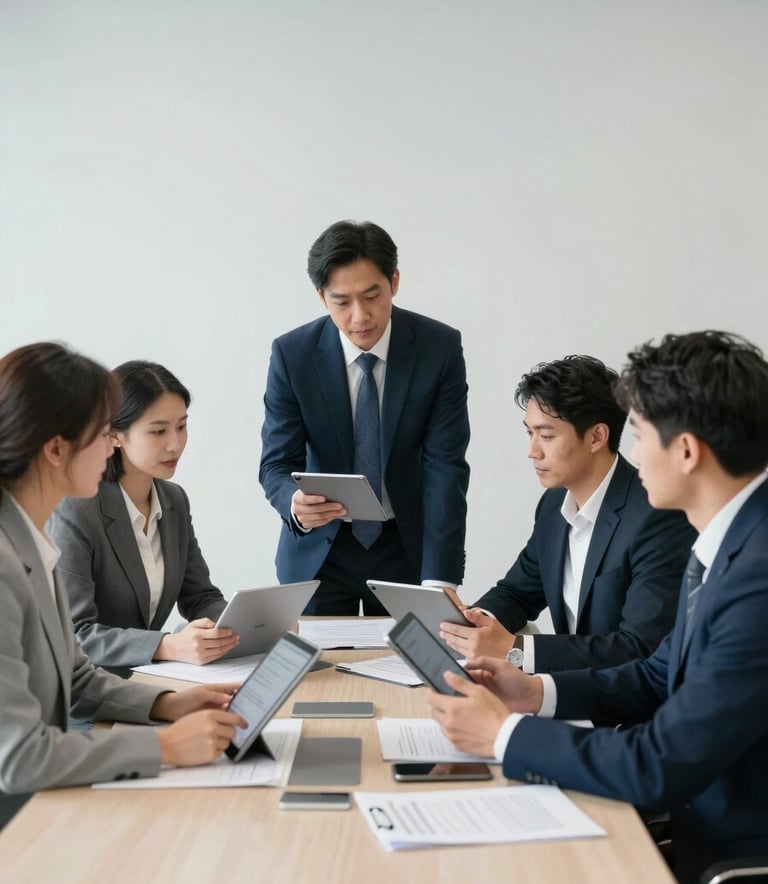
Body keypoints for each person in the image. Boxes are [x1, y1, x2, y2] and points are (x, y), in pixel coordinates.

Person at [427, 331, 768, 883]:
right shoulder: (729, 544)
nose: (633, 456)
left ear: (686, 450)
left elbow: (659, 763)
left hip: (725, 851)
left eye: (640, 435)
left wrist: (503, 735)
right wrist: (533, 691)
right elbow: (658, 674)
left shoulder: (756, 578)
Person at [0, 342, 245, 828]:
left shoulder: (31, 540)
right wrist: (164, 746)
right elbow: (19, 757)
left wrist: (166, 704)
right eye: (103, 435)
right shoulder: (9, 561)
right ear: (55, 449)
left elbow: (77, 677)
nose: (111, 446)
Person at [259, 220, 470, 615]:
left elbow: (445, 466)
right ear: (321, 297)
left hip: (406, 549)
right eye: (342, 302)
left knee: (410, 672)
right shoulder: (293, 355)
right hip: (319, 551)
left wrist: (440, 577)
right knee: (314, 675)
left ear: (395, 281)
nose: (360, 316)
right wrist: (295, 504)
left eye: (372, 296)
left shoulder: (438, 348)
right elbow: (276, 463)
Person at [440, 356, 696, 672]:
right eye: (529, 433)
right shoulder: (553, 505)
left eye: (546, 436)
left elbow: (640, 647)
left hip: (624, 708)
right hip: (571, 690)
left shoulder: (657, 516)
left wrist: (514, 650)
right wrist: (474, 623)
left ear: (596, 437)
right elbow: (518, 592)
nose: (532, 451)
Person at [48, 361, 239, 672]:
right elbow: (74, 635)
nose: (175, 444)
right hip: (84, 700)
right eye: (158, 431)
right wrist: (166, 645)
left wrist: (239, 626)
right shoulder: (77, 509)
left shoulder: (173, 500)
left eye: (181, 426)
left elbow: (200, 596)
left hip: (147, 683)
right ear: (114, 435)